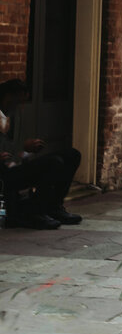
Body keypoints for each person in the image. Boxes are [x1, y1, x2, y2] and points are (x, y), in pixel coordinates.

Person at [0, 81, 82, 230]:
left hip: (17, 164)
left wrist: (27, 149)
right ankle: (32, 213)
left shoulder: (12, 117)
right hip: (5, 173)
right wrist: (21, 148)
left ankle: (53, 207)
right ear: (8, 97)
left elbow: (17, 153)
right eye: (18, 102)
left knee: (72, 155)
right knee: (54, 163)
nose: (20, 107)